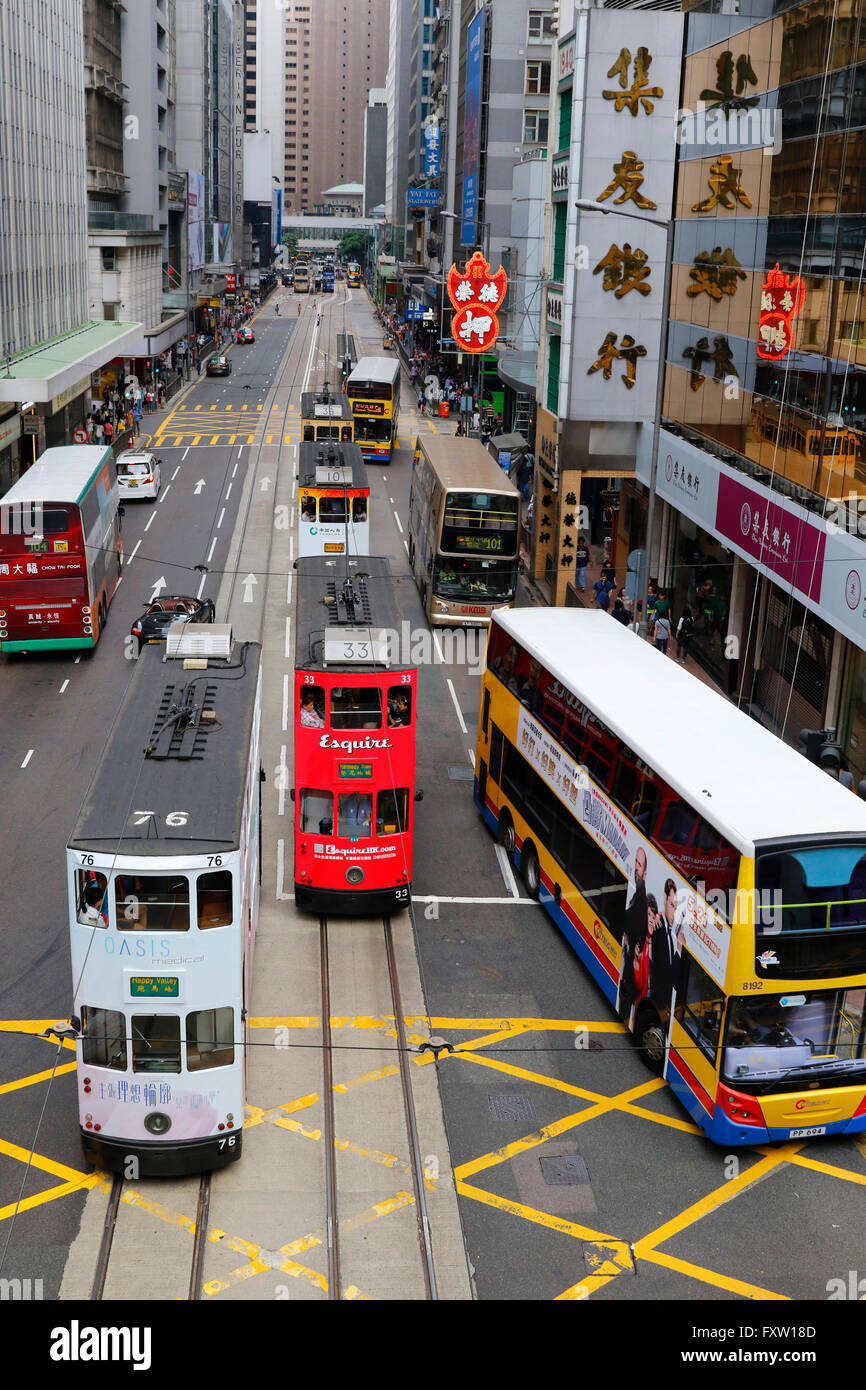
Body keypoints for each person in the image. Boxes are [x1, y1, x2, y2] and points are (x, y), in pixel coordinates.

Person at [618, 848, 648, 1022]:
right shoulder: (636, 894)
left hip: (630, 972)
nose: (636, 867)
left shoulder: (642, 901)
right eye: (635, 862)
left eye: (639, 864)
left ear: (644, 872)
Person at [650, 878, 682, 1013]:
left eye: (675, 908)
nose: (673, 915)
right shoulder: (658, 927)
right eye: (671, 905)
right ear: (664, 898)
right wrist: (679, 948)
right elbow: (667, 973)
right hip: (658, 999)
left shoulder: (669, 933)